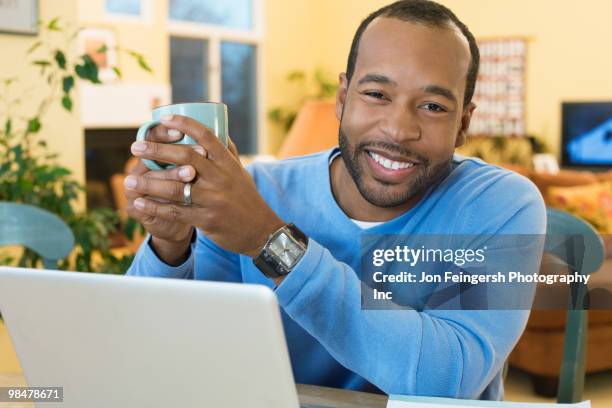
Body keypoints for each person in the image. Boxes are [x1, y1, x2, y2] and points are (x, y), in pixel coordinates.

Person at [125, 0, 546, 400]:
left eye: (433, 105)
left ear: (463, 124)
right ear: (343, 99)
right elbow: (184, 354)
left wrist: (269, 240)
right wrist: (170, 246)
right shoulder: (256, 191)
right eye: (377, 94)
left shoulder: (503, 204)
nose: (399, 130)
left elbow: (448, 378)